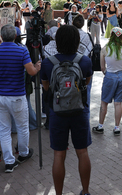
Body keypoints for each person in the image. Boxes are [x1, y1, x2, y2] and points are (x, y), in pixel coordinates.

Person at [40, 24, 93, 195]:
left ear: (57, 41)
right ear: (77, 41)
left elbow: (46, 88)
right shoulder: (84, 61)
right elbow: (87, 83)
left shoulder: (48, 63)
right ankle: (85, 191)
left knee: (58, 155)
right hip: (79, 111)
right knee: (82, 152)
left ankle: (59, 193)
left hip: (57, 112)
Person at [0, 25, 41, 173]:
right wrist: (37, 67)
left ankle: (9, 161)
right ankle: (23, 153)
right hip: (16, 95)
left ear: (1, 37)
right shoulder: (21, 50)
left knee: (4, 129)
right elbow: (31, 71)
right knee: (22, 126)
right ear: (14, 37)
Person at [92, 27, 122, 135]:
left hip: (110, 76)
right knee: (118, 103)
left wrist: (107, 73)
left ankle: (100, 126)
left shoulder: (106, 48)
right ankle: (117, 127)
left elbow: (102, 67)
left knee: (104, 102)